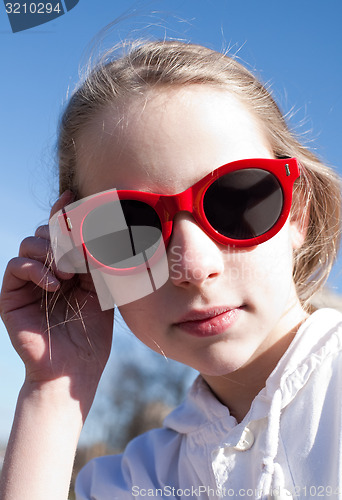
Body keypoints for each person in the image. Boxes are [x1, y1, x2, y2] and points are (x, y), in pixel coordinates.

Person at [0, 39, 341, 500]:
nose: (193, 267)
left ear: (297, 214)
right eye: (129, 227)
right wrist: (54, 393)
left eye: (235, 200)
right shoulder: (133, 482)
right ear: (80, 256)